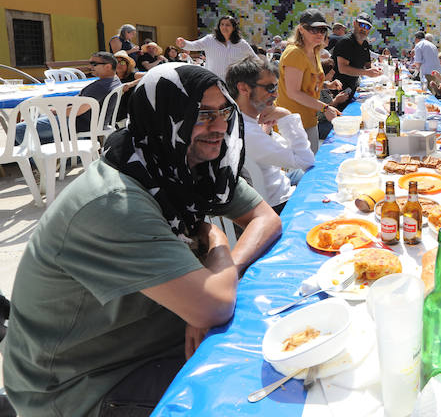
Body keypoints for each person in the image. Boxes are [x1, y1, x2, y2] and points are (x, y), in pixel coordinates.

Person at [2, 63, 282, 416]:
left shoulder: (183, 164)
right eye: (202, 114)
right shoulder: (114, 202)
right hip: (83, 383)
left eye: (224, 111)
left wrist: (226, 270)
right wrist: (219, 246)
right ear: (163, 117)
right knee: (253, 394)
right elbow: (214, 306)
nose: (221, 126)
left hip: (154, 338)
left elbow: (266, 218)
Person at [227, 56, 315, 214]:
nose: (275, 95)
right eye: (270, 88)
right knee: (320, 176)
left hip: (277, 181)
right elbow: (306, 160)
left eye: (276, 87)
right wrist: (286, 115)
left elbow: (287, 151)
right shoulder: (247, 131)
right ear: (244, 89)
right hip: (277, 203)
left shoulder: (238, 118)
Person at [14, 52, 121, 146]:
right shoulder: (114, 81)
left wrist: (55, 111)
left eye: (94, 64)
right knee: (30, 123)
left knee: (18, 129)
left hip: (74, 123)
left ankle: (40, 161)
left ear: (108, 66)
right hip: (84, 123)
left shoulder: (101, 86)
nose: (90, 66)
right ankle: (60, 153)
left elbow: (78, 110)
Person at [276, 10, 343, 153]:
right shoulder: (295, 53)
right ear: (301, 29)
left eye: (323, 30)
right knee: (296, 172)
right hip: (292, 123)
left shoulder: (314, 50)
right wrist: (325, 108)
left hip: (309, 120)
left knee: (309, 166)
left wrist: (326, 84)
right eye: (314, 29)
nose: (319, 33)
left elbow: (307, 82)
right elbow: (294, 92)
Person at [176, 15, 255, 79]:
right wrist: (184, 43)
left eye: (227, 25)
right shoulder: (210, 39)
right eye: (222, 24)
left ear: (234, 28)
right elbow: (194, 45)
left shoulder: (241, 43)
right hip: (213, 81)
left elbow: (255, 59)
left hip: (233, 82)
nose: (224, 27)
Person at [332, 14, 381, 94]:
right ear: (355, 24)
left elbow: (368, 64)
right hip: (340, 88)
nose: (364, 29)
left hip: (354, 85)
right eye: (361, 25)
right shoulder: (346, 42)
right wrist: (366, 72)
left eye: (367, 27)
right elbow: (343, 69)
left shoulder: (365, 43)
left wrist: (376, 69)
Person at [317, 58, 353, 139]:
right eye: (330, 70)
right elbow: (321, 115)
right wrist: (336, 101)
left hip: (326, 122)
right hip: (321, 125)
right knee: (344, 130)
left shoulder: (325, 85)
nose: (333, 72)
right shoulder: (316, 89)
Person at [113, 50, 143, 122]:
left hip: (128, 112)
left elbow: (150, 75)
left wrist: (131, 84)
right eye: (116, 62)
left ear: (128, 65)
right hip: (115, 110)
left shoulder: (133, 75)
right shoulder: (112, 77)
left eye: (122, 62)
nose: (119, 64)